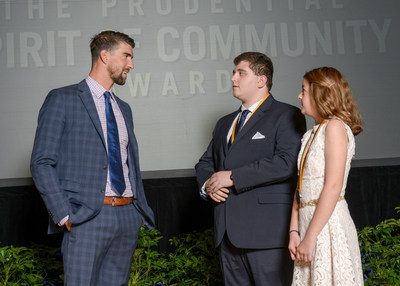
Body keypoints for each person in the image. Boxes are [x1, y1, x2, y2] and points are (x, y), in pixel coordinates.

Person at [30, 30, 155, 286]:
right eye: (126, 56)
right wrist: (64, 215)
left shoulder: (124, 109)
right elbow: (41, 162)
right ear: (105, 56)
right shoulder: (62, 99)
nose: (131, 64)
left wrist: (138, 213)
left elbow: (128, 164)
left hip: (127, 216)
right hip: (87, 218)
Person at [195, 52, 306, 286]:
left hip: (266, 234)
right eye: (234, 72)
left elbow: (287, 162)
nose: (233, 78)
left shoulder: (287, 115)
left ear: (261, 80)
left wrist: (233, 177)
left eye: (240, 72)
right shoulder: (225, 122)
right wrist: (209, 186)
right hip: (227, 235)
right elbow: (206, 163)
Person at [288, 67, 364, 285]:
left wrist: (310, 236)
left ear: (320, 94)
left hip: (328, 226)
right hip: (307, 223)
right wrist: (295, 231)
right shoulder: (311, 134)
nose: (299, 96)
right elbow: (300, 186)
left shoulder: (335, 127)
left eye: (303, 91)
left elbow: (333, 185)